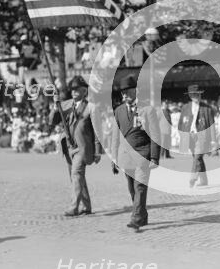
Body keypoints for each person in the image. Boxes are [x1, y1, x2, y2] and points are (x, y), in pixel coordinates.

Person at [111, 75, 160, 231]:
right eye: (122, 93)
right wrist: (113, 158)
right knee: (132, 189)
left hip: (143, 154)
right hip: (125, 157)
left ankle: (136, 219)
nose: (124, 95)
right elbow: (115, 136)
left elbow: (155, 135)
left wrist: (154, 157)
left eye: (127, 92)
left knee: (140, 187)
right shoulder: (118, 111)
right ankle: (142, 215)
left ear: (136, 91)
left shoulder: (147, 110)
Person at [50, 75, 102, 217]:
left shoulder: (91, 107)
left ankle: (73, 207)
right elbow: (53, 121)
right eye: (72, 89)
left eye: (77, 89)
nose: (73, 92)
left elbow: (98, 131)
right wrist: (55, 106)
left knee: (76, 174)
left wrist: (98, 152)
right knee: (77, 177)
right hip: (68, 146)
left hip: (82, 148)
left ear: (85, 91)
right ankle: (86, 207)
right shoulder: (65, 104)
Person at [177, 84, 216, 187]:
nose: (196, 96)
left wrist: (213, 140)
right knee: (197, 158)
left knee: (198, 156)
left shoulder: (207, 108)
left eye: (198, 94)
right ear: (190, 96)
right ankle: (204, 181)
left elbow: (212, 125)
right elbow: (180, 123)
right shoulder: (185, 107)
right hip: (189, 136)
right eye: (194, 95)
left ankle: (192, 178)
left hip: (202, 136)